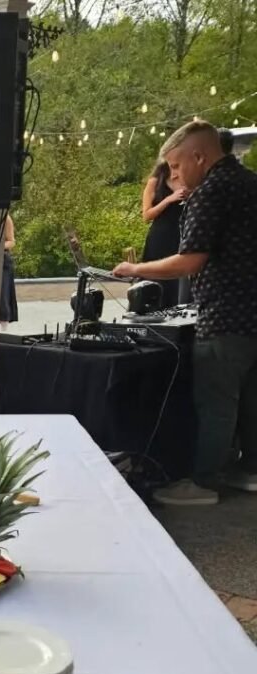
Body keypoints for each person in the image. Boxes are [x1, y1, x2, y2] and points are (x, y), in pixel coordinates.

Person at [114, 119, 257, 507]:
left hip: (225, 317)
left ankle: (204, 481)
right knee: (250, 398)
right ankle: (249, 471)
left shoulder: (210, 192)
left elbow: (190, 261)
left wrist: (135, 270)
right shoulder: (250, 183)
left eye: (176, 168)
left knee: (217, 402)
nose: (174, 177)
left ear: (199, 156)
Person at [141, 159, 189, 310]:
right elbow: (146, 215)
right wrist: (169, 199)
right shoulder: (155, 181)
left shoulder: (188, 178)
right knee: (156, 278)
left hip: (182, 235)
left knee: (177, 281)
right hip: (160, 236)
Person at [0, 214, 19, 330]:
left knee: (3, 294)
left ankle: (4, 327)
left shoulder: (6, 218)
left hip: (3, 260)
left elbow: (11, 242)